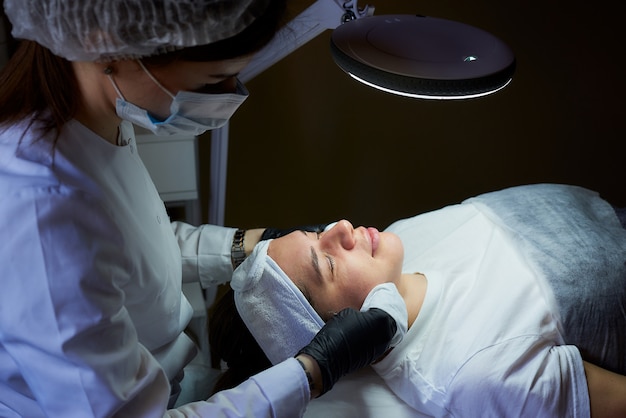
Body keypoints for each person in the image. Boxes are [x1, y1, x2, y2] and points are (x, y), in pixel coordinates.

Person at [0, 1, 401, 416]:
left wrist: (249, 244)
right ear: (110, 49)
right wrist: (315, 370)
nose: (229, 95)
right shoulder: (43, 213)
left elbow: (130, 244)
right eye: (214, 79)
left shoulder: (94, 120)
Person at [211, 183, 626, 417]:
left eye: (316, 233)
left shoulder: (401, 237)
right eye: (327, 265)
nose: (340, 227)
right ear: (341, 332)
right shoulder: (472, 372)